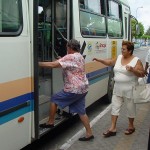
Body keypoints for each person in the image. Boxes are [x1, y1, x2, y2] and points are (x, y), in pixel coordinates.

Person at [39, 39, 94, 141]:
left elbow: (53, 65)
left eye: (67, 47)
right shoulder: (80, 56)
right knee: (82, 112)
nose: (66, 49)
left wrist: (37, 63)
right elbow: (70, 64)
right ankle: (89, 133)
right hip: (83, 88)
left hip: (74, 89)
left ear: (70, 47)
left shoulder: (69, 57)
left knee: (54, 99)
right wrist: (61, 59)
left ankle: (50, 122)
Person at [93, 41, 145, 137]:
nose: (122, 50)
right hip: (117, 88)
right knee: (115, 107)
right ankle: (112, 128)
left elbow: (142, 73)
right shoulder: (119, 57)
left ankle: (131, 126)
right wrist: (99, 60)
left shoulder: (136, 60)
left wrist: (133, 70)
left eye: (124, 49)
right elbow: (110, 62)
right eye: (122, 48)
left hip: (130, 89)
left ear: (129, 51)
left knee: (130, 108)